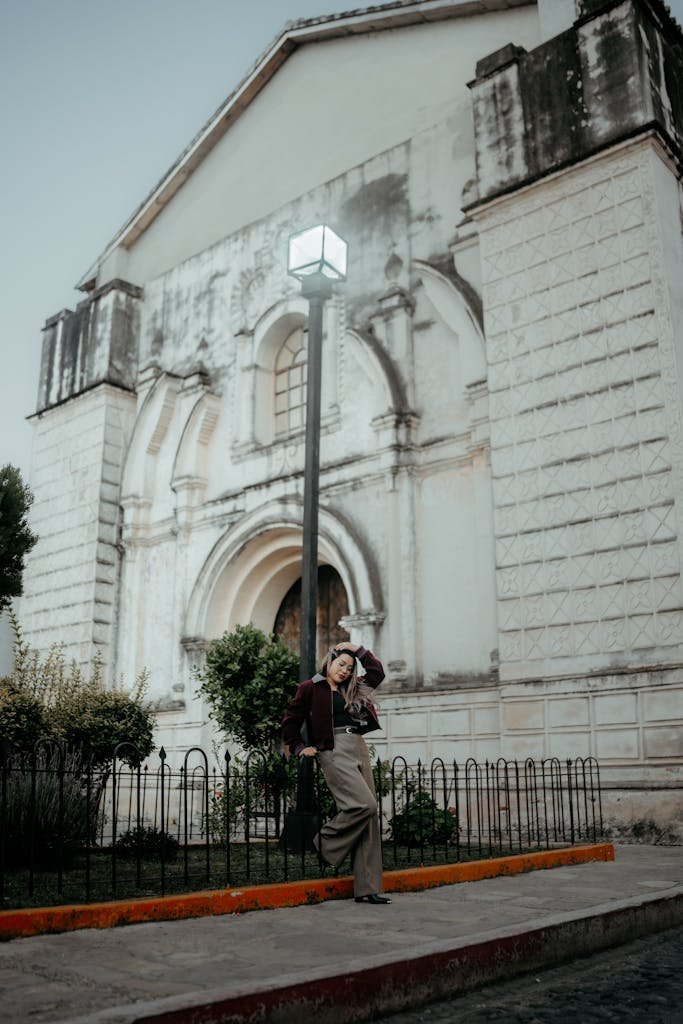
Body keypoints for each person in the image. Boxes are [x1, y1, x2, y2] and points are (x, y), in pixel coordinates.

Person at [281, 641, 391, 905]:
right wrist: (299, 747)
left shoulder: (351, 688)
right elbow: (290, 721)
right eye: (341, 664)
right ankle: (325, 843)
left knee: (370, 816)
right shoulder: (311, 688)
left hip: (358, 746)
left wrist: (358, 650)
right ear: (329, 662)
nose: (344, 670)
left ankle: (367, 889)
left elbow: (377, 673)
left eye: (349, 667)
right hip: (333, 749)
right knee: (362, 805)